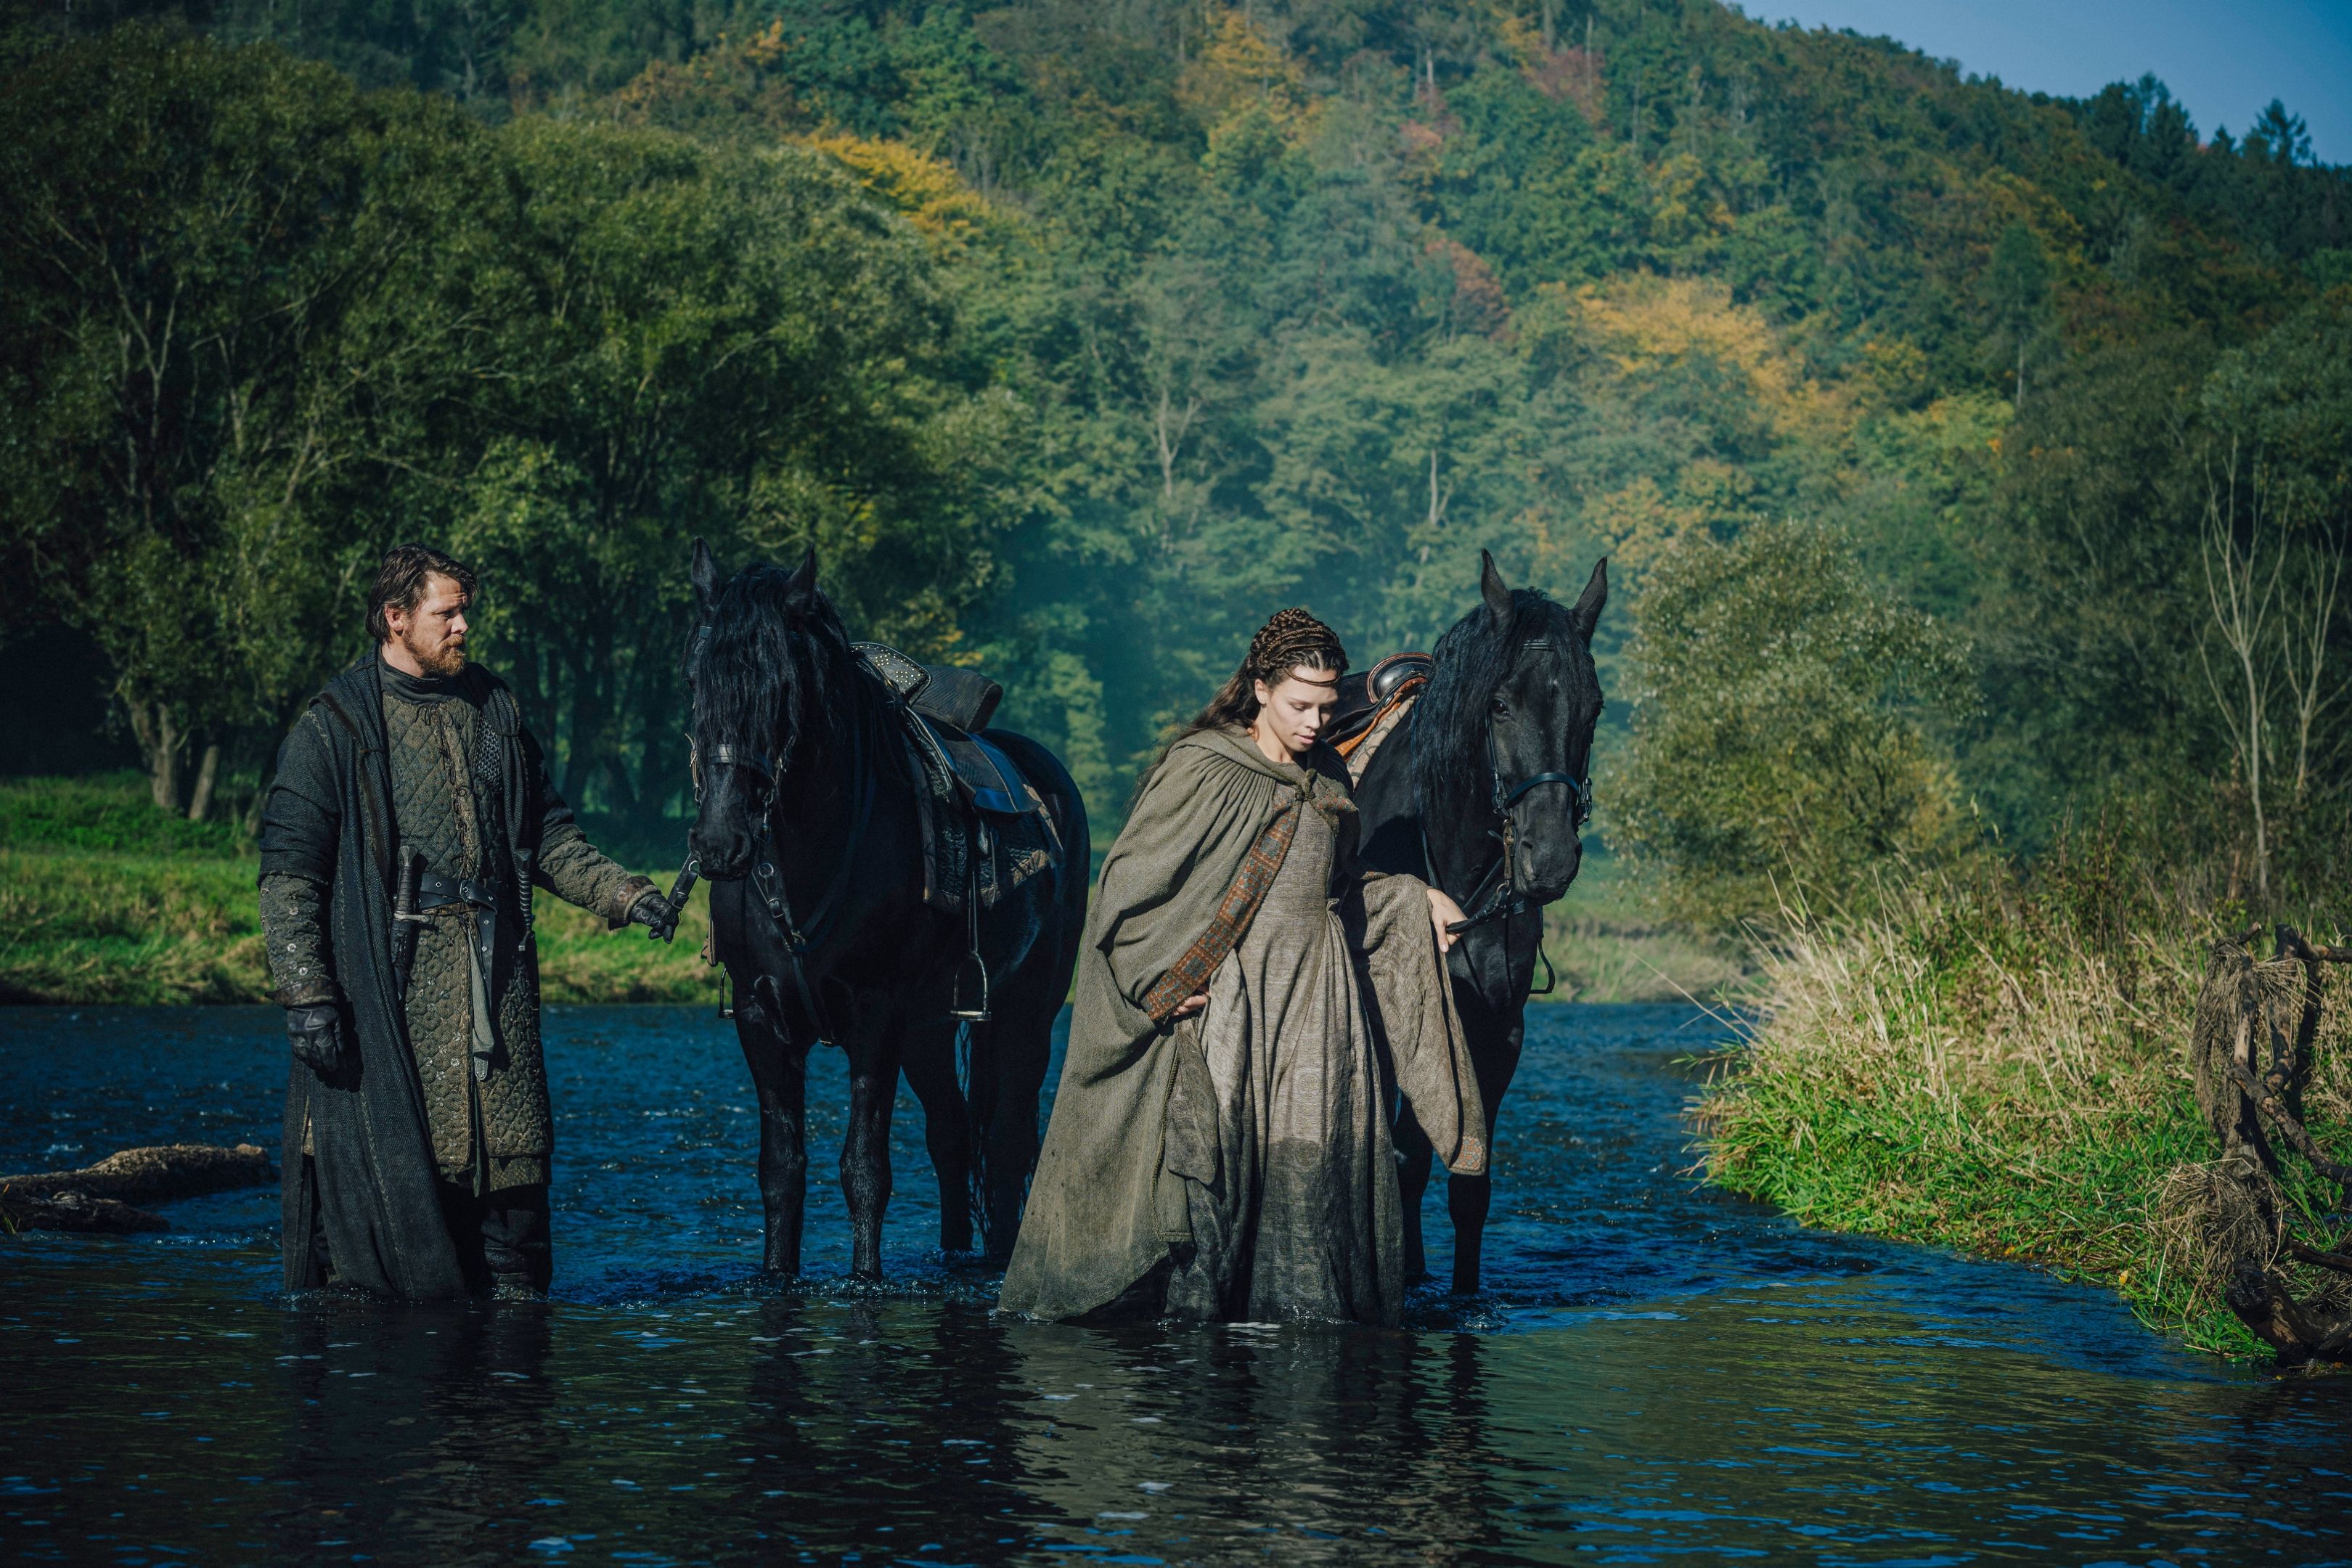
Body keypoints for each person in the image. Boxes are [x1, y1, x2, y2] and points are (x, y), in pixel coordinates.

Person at [999, 608, 1488, 1326]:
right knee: (1217, 1166)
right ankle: (1199, 1331)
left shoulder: (1323, 774)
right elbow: (1131, 888)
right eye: (1300, 705)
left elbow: (1335, 887)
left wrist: (1418, 899)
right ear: (1260, 689)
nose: (1317, 722)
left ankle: (1300, 1318)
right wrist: (1157, 985)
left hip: (1319, 1008)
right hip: (1234, 1003)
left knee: (1314, 1164)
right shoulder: (1206, 769)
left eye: (1327, 706)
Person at [258, 544, 677, 1299]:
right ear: (395, 618)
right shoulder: (334, 728)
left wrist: (625, 895)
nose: (462, 627)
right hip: (385, 996)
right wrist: (308, 996)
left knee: (515, 1230)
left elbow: (547, 836)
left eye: (465, 613)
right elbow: (290, 874)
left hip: (497, 986)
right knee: (369, 1233)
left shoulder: (496, 711)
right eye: (446, 613)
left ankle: (512, 1403)